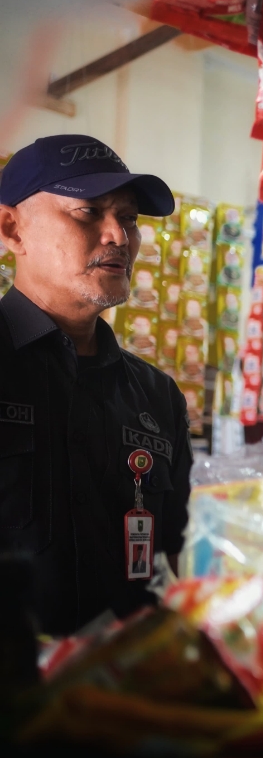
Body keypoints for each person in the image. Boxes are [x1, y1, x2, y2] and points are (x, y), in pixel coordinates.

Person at [0, 135, 189, 636]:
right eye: (88, 212)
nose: (119, 237)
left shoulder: (157, 396)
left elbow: (172, 558)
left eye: (128, 218)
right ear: (11, 228)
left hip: (123, 696)